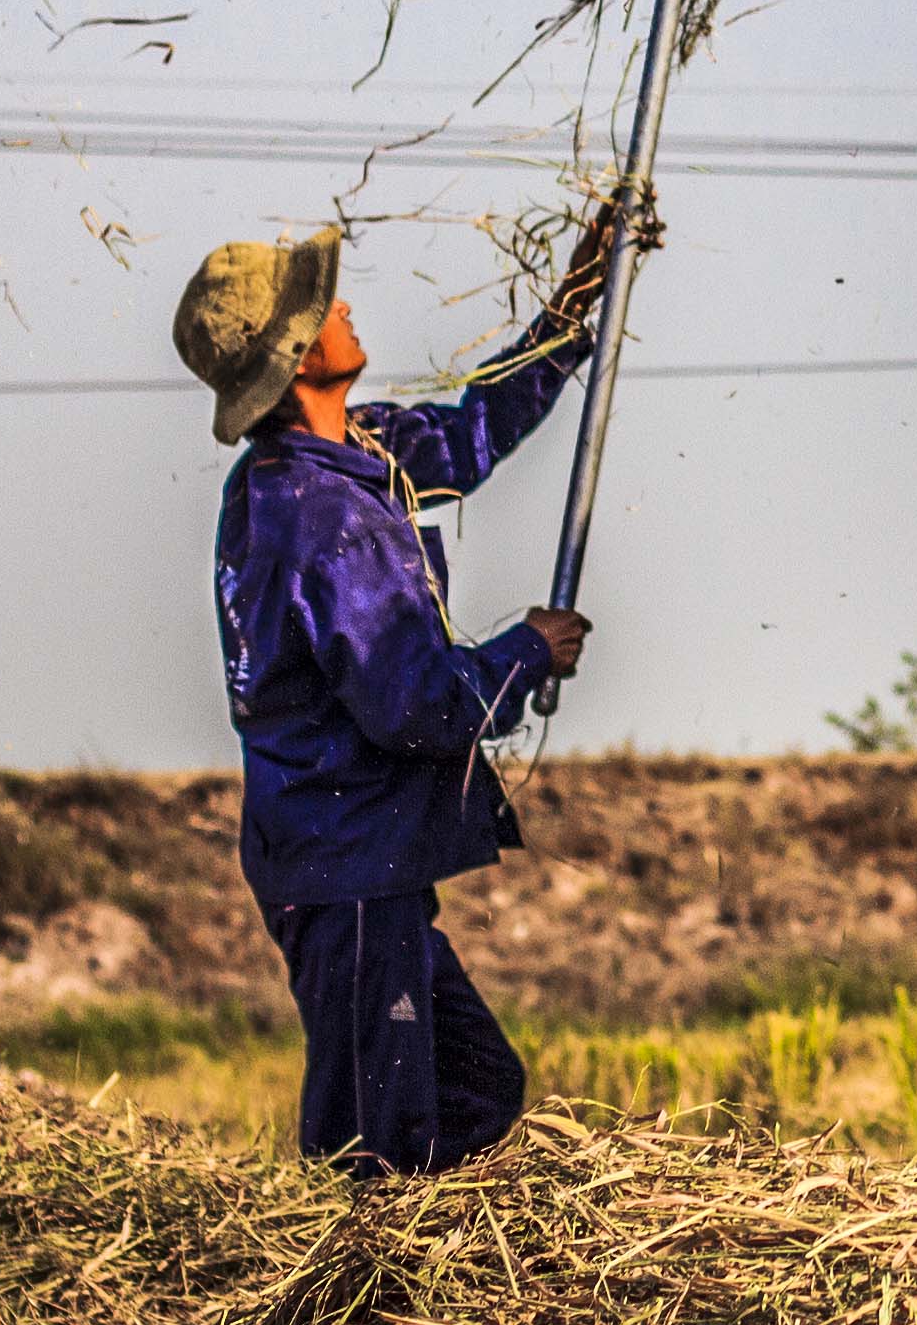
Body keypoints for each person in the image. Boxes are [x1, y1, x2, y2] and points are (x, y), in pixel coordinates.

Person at [168, 199, 643, 1175]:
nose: (344, 312)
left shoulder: (358, 459)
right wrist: (527, 652)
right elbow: (416, 705)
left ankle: (441, 1301)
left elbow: (478, 427)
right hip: (342, 873)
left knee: (474, 1090)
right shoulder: (313, 516)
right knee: (373, 1146)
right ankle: (349, 1316)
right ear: (297, 355)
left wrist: (578, 296)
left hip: (362, 865)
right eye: (321, 310)